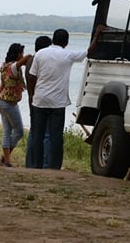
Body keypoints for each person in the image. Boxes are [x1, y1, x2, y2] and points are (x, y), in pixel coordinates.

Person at [27, 25, 105, 169]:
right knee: (56, 137)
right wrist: (97, 36)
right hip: (58, 103)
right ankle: (54, 167)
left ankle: (35, 166)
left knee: (38, 135)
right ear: (66, 43)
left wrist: (32, 94)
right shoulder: (68, 55)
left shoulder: (40, 54)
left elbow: (32, 77)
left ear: (52, 39)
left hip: (40, 100)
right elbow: (89, 52)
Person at [0, 43, 31, 167]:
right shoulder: (14, 67)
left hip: (1, 101)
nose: (22, 55)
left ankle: (5, 160)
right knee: (19, 131)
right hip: (9, 103)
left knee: (7, 131)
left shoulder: (3, 65)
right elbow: (26, 58)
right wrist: (30, 56)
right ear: (18, 54)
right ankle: (5, 159)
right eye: (21, 53)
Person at [24, 35, 52, 168]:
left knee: (34, 132)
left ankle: (30, 163)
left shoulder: (30, 60)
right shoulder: (40, 61)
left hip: (32, 101)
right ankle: (45, 164)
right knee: (46, 134)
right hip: (40, 103)